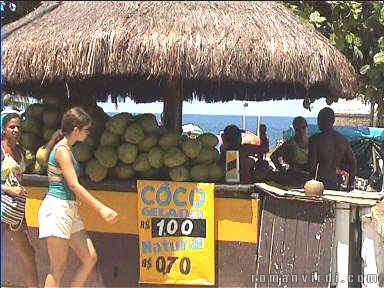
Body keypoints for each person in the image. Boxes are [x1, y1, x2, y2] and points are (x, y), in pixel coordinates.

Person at [38, 107, 118, 287]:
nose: (88, 133)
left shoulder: (68, 148)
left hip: (69, 210)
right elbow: (74, 185)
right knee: (57, 269)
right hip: (57, 210)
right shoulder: (62, 151)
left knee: (90, 257)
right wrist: (101, 208)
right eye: (86, 130)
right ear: (76, 130)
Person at [1, 113, 39, 287]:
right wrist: (9, 189)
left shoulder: (22, 151)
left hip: (15, 211)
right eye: (11, 127)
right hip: (2, 208)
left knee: (29, 255)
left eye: (18, 127)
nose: (16, 130)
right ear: (3, 129)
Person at [308, 107, 357, 190]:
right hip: (334, 182)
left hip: (318, 183)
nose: (318, 122)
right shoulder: (342, 140)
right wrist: (350, 183)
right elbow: (353, 162)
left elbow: (312, 166)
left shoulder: (315, 139)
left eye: (319, 119)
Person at [270, 116, 310, 186]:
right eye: (298, 129)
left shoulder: (313, 142)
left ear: (307, 127)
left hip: (309, 178)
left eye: (303, 127)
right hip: (294, 178)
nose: (301, 131)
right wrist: (282, 170)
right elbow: (273, 156)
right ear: (294, 129)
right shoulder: (290, 144)